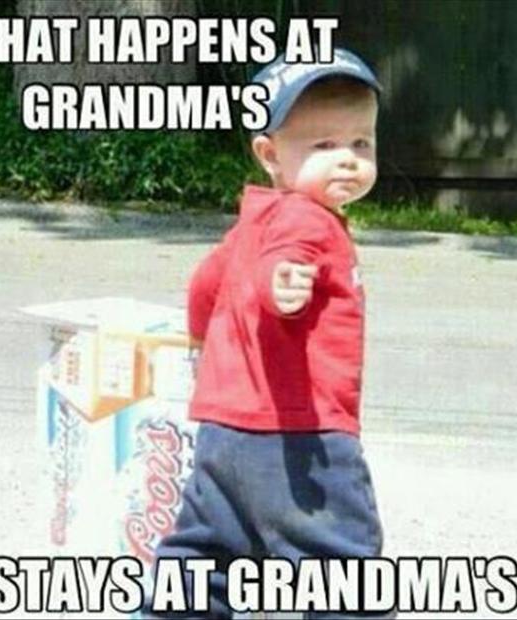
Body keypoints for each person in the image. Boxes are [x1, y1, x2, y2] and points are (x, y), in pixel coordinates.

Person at [145, 48, 388, 620]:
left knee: (205, 559)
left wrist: (207, 345)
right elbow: (281, 263)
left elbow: (205, 287)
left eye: (361, 143)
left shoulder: (255, 218)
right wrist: (279, 287)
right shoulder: (307, 221)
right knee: (340, 570)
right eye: (323, 145)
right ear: (270, 154)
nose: (347, 160)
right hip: (301, 437)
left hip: (223, 436)